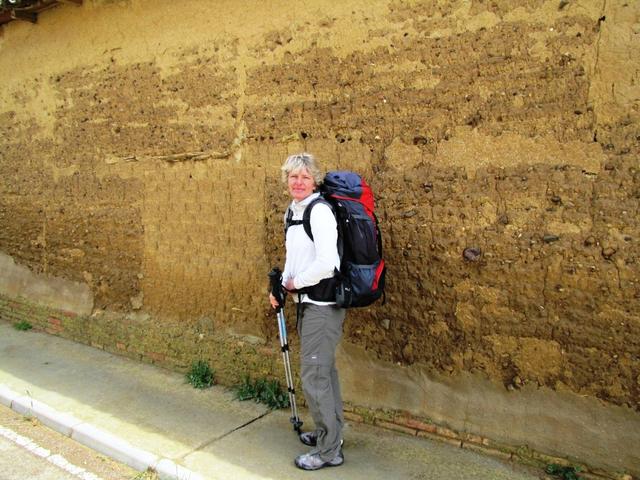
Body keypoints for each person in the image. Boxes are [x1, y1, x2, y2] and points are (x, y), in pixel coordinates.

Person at [269, 152, 346, 471]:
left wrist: (295, 283)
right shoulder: (293, 211)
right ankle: (331, 435)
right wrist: (281, 286)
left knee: (315, 376)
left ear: (314, 181)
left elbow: (328, 264)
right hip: (305, 302)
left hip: (322, 306)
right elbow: (294, 256)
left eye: (304, 177)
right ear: (286, 180)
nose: (298, 182)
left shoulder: (320, 211)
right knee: (323, 373)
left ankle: (329, 451)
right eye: (293, 176)